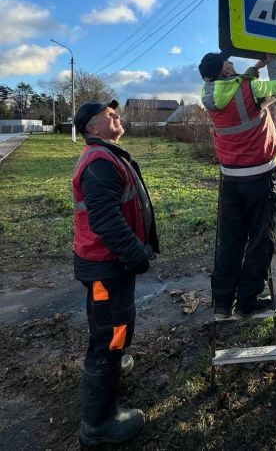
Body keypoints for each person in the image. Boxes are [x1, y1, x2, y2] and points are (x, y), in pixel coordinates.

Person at [72, 99, 159, 446]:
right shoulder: (99, 161)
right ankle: (99, 425)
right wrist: (136, 254)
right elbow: (105, 218)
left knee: (111, 330)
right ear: (92, 127)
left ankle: (111, 365)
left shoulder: (104, 155)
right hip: (108, 267)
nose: (116, 116)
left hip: (108, 265)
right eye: (109, 115)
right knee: (111, 335)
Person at [199, 49, 276, 318]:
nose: (232, 63)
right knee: (260, 239)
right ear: (225, 70)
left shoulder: (209, 92)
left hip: (231, 178)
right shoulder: (249, 89)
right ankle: (248, 301)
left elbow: (237, 91)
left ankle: (223, 304)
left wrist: (249, 73)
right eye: (228, 62)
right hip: (259, 176)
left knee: (230, 240)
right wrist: (275, 63)